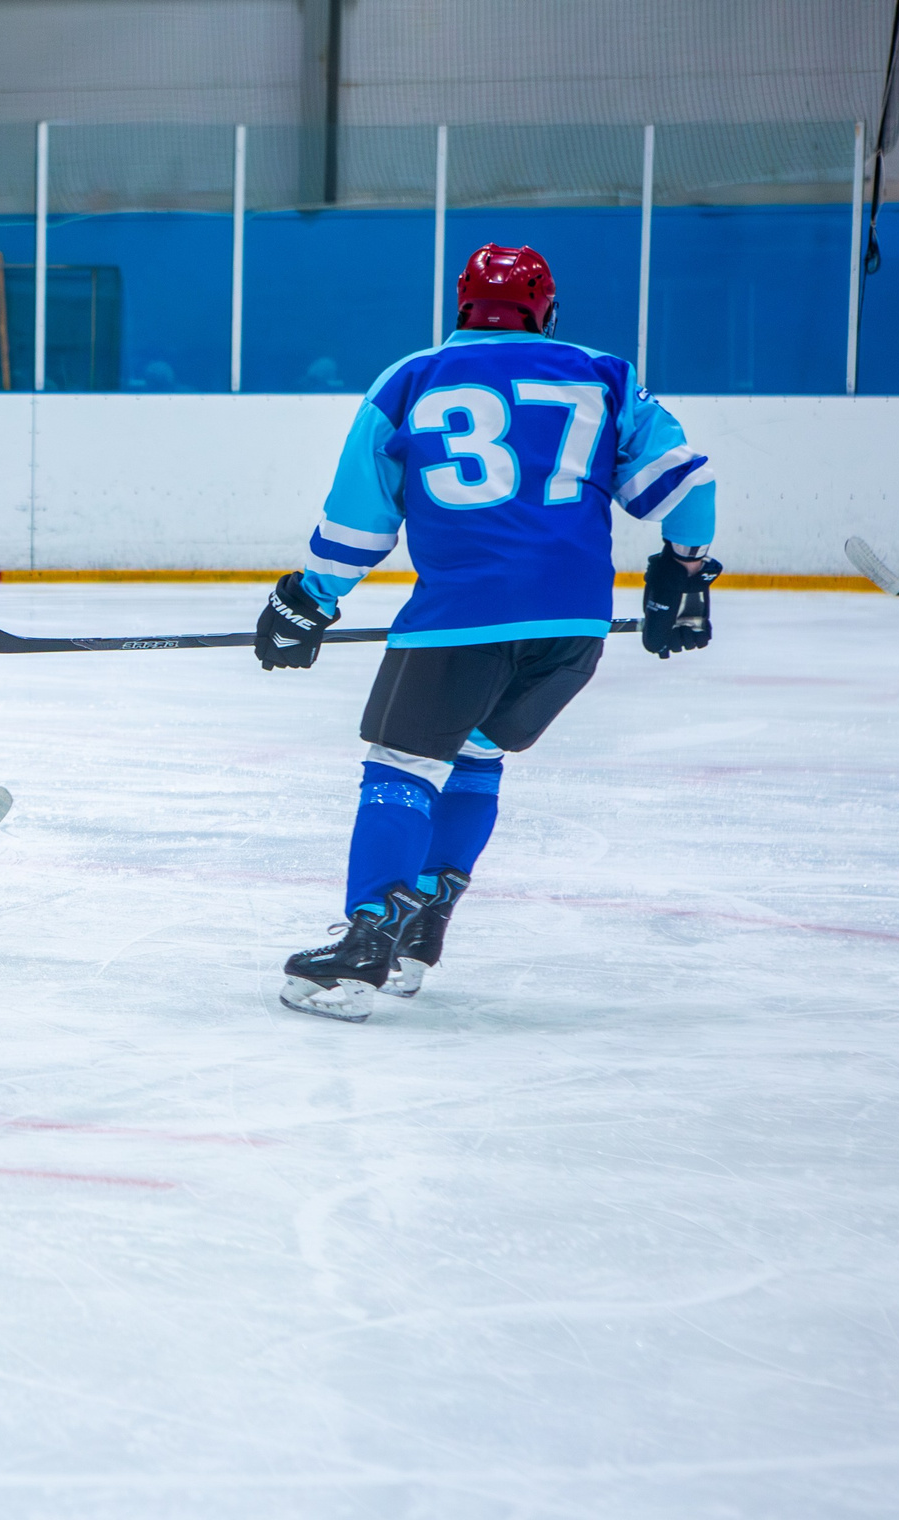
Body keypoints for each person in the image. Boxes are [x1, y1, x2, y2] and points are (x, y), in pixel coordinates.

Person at [257, 242, 722, 1022]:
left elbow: (361, 519)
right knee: (476, 753)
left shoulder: (411, 378)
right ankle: (421, 926)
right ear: (546, 310)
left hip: (459, 620)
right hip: (573, 630)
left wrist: (311, 597)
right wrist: (685, 572)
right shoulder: (606, 374)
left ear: (463, 305)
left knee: (401, 764)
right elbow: (687, 482)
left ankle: (364, 944)